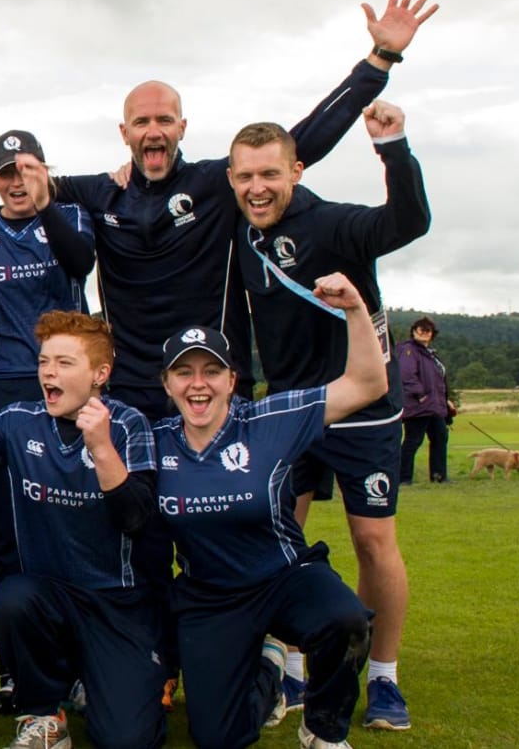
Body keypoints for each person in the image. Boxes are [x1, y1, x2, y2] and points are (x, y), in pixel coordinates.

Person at [0, 0, 438, 419]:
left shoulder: (216, 182)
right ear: (125, 133)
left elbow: (303, 139)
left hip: (210, 379)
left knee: (218, 532)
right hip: (132, 388)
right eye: (142, 122)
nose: (154, 130)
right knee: (140, 529)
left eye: (165, 119)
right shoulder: (103, 192)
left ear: (182, 126)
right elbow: (23, 176)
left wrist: (380, 59)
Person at [227, 103, 429, 731]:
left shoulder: (334, 223)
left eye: (269, 174)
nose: (256, 188)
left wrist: (392, 145)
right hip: (292, 409)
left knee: (373, 542)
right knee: (278, 540)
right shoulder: (242, 233)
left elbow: (410, 221)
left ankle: (384, 678)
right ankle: (288, 665)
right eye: (243, 177)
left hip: (364, 409)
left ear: (296, 171)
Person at [150, 272, 388, 749]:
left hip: (283, 577)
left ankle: (322, 729)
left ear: (232, 379)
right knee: (218, 736)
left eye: (211, 371)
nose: (199, 385)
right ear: (167, 383)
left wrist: (356, 310)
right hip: (208, 594)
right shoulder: (151, 441)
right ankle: (271, 668)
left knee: (346, 621)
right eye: (184, 372)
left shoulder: (269, 420)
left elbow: (367, 383)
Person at [0, 313, 167, 749]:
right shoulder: (18, 421)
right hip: (48, 597)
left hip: (115, 602)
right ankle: (45, 715)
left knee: (127, 739)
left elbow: (135, 519)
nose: (49, 372)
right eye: (45, 361)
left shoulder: (127, 426)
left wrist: (101, 448)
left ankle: (95, 678)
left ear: (100, 374)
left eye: (65, 364)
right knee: (12, 598)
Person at [0, 132, 99, 709]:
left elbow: (81, 261)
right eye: (5, 172)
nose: (15, 181)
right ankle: (15, 666)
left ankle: (81, 663)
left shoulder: (71, 215)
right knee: (6, 531)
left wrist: (46, 199)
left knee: (75, 523)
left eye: (26, 169)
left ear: (45, 172)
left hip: (67, 381)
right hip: (2, 379)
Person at [397, 317, 449, 484]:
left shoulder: (431, 355)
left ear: (433, 334)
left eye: (428, 330)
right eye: (420, 329)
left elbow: (438, 382)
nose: (424, 333)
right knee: (413, 441)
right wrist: (421, 395)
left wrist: (445, 401)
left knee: (440, 437)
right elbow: (406, 374)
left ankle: (439, 476)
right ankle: (403, 478)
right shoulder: (408, 350)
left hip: (434, 406)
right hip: (417, 406)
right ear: (413, 331)